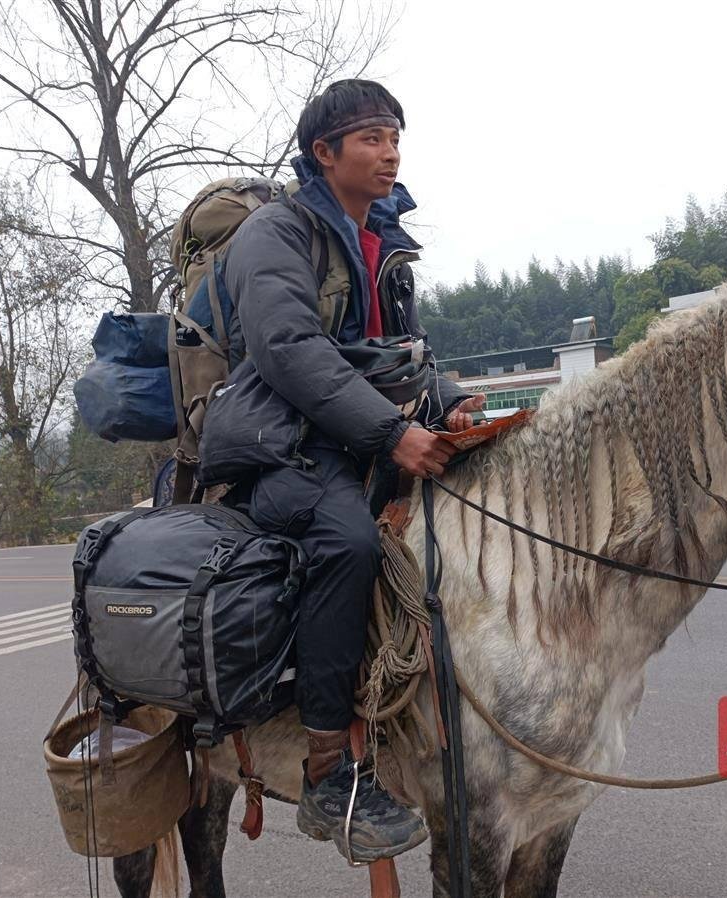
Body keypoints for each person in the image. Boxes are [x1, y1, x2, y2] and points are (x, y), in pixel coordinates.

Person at [218, 79, 484, 861]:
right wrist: (391, 432)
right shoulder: (276, 233)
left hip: (361, 436)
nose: (389, 149)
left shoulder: (386, 244)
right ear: (323, 153)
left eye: (394, 134)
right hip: (284, 445)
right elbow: (287, 349)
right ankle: (330, 764)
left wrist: (453, 401)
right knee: (350, 544)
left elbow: (400, 356)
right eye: (369, 136)